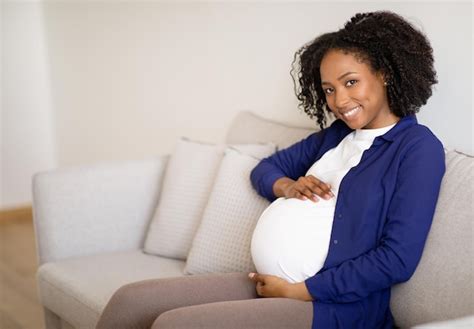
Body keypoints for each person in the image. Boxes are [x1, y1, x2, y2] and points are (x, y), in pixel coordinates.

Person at [96, 10, 445, 329]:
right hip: (270, 283)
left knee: (175, 324)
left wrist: (304, 290)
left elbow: (397, 259)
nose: (339, 101)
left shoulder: (417, 148)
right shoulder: (336, 137)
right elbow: (265, 169)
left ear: (384, 74)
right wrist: (286, 187)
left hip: (333, 306)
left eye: (350, 82)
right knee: (131, 302)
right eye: (329, 89)